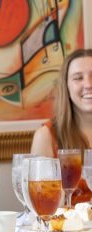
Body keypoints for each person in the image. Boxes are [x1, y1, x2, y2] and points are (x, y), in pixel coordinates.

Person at [31, 48, 92, 204]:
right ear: (66, 86)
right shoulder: (46, 136)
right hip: (65, 227)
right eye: (78, 78)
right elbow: (41, 202)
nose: (88, 84)